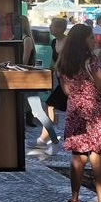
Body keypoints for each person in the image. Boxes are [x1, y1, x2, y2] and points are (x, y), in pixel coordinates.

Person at [58, 24, 101, 202]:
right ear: (83, 40)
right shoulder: (92, 61)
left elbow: (66, 91)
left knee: (77, 159)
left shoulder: (63, 63)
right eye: (91, 37)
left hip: (76, 112)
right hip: (95, 112)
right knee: (98, 160)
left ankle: (74, 200)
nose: (94, 40)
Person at [21, 16, 61, 154]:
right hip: (24, 80)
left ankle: (54, 139)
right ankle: (53, 139)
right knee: (35, 111)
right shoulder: (24, 38)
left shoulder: (26, 39)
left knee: (37, 111)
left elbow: (24, 62)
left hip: (27, 80)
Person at [42, 17, 69, 148]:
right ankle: (50, 136)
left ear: (60, 28)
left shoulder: (68, 42)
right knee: (49, 106)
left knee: (49, 105)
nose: (50, 28)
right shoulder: (53, 42)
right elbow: (52, 62)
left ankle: (47, 137)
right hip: (59, 80)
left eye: (52, 26)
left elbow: (68, 62)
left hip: (67, 81)